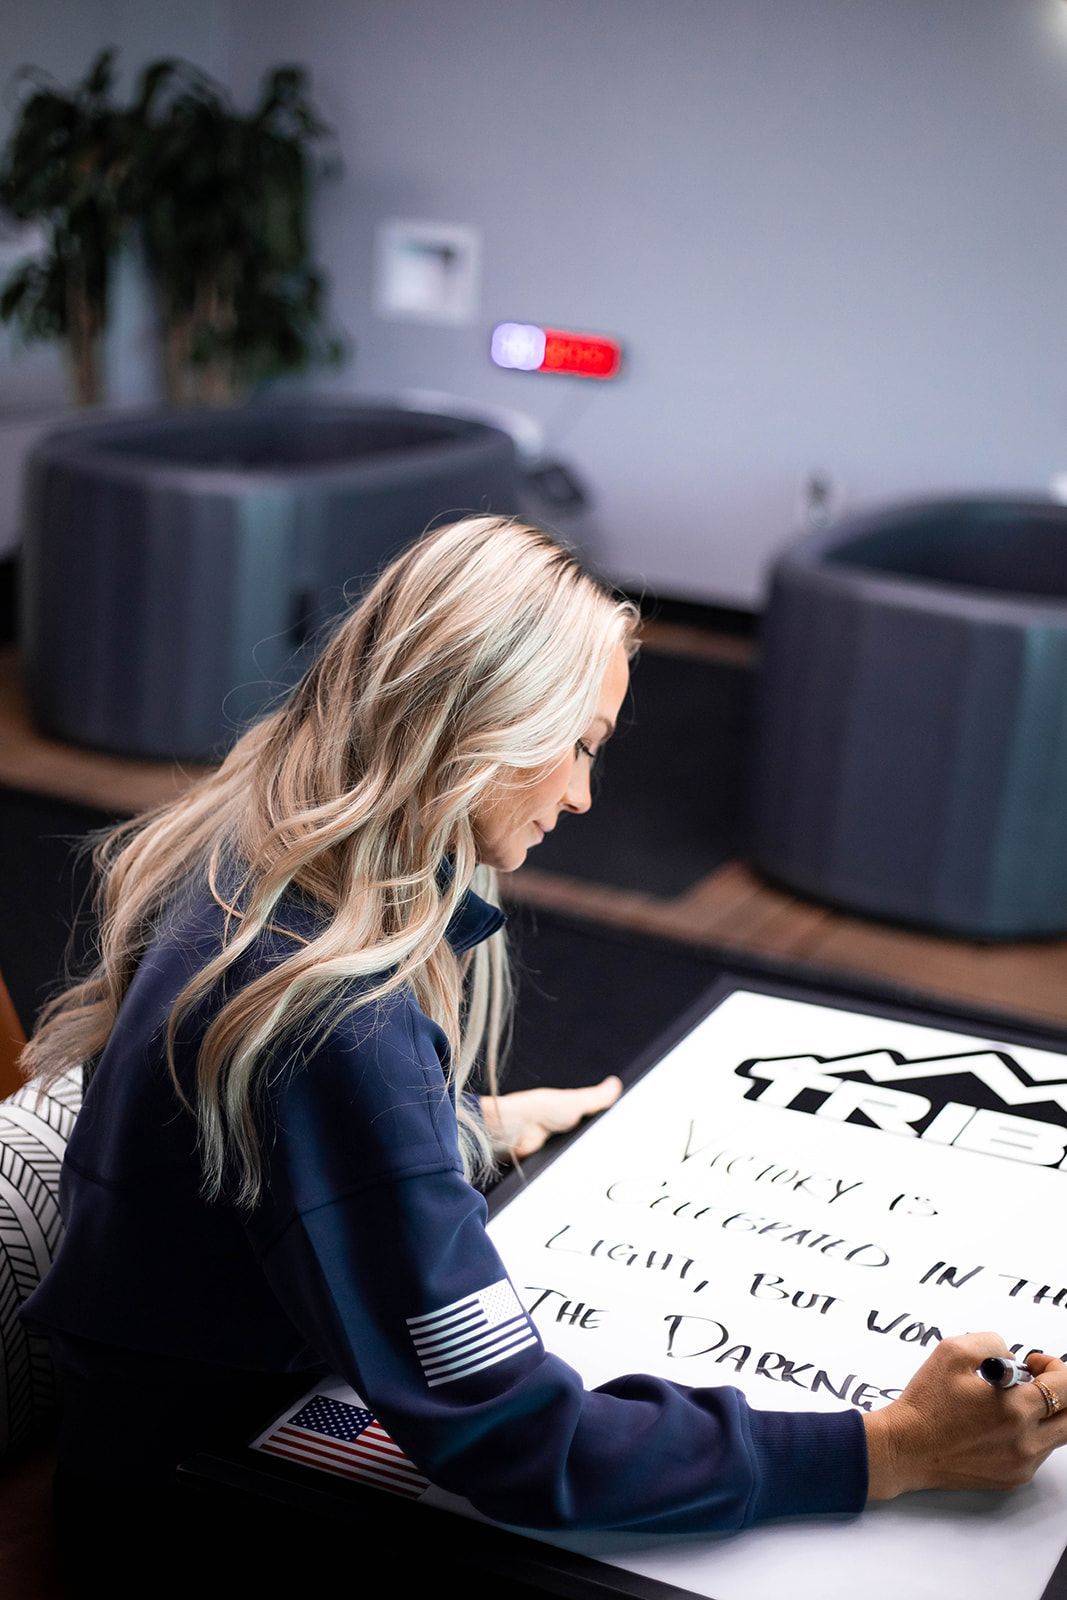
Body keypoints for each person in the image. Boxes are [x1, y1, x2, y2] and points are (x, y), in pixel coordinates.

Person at [20, 516, 1067, 1593]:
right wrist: (889, 1447)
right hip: (191, 1522)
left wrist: (460, 1128)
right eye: (578, 744)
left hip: (152, 1447)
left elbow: (247, 1171)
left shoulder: (248, 845)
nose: (579, 794)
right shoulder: (334, 1019)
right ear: (478, 719)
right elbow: (521, 1443)